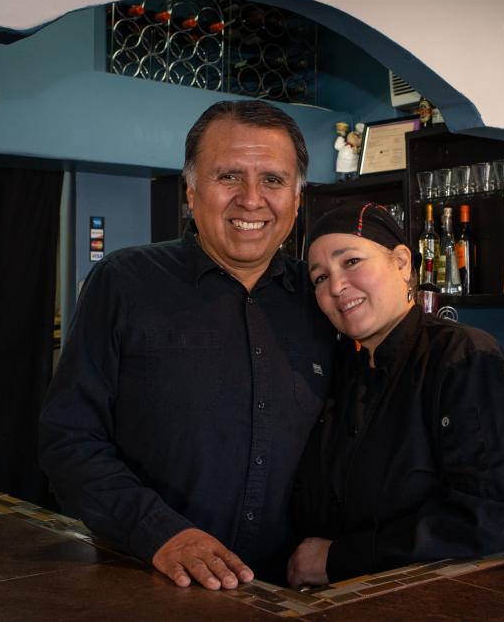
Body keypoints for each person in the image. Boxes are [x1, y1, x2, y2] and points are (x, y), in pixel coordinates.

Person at [39, 100, 335, 590]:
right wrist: (161, 535)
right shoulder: (124, 282)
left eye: (274, 181)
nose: (251, 199)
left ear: (298, 200)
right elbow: (68, 441)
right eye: (229, 177)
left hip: (292, 594)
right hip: (148, 582)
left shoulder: (325, 299)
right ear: (191, 191)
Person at [287, 202, 504, 588]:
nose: (336, 287)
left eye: (351, 262)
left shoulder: (463, 357)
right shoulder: (338, 368)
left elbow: (492, 518)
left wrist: (339, 558)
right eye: (320, 278)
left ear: (402, 262)